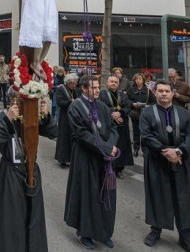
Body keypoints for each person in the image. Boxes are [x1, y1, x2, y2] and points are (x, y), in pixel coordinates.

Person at [139, 80, 190, 252]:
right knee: (157, 196)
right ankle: (155, 231)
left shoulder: (184, 113)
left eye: (167, 91)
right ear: (155, 93)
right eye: (160, 91)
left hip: (181, 161)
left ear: (173, 93)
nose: (164, 94)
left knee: (182, 197)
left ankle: (185, 237)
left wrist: (179, 152)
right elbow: (146, 135)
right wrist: (165, 151)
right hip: (156, 161)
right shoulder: (147, 113)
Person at [0, 98, 56, 252]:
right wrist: (8, 119)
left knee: (33, 215)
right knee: (12, 216)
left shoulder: (32, 117)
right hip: (11, 172)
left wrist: (46, 117)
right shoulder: (3, 117)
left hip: (31, 171)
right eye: (21, 103)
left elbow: (54, 132)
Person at [64, 75, 119, 250]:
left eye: (97, 87)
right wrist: (103, 147)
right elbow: (81, 134)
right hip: (85, 157)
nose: (97, 90)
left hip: (104, 159)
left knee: (106, 196)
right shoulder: (75, 106)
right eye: (93, 88)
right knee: (88, 195)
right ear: (84, 89)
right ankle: (85, 232)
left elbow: (113, 128)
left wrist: (110, 146)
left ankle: (104, 232)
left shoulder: (102, 106)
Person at [99, 75, 134, 178]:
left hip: (122, 123)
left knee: (121, 145)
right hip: (108, 123)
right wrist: (112, 115)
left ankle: (119, 169)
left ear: (118, 84)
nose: (113, 83)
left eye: (115, 82)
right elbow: (101, 106)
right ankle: (107, 167)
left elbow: (128, 106)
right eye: (111, 82)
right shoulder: (102, 94)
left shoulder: (122, 94)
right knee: (110, 144)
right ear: (107, 83)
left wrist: (120, 113)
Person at [127, 73, 156, 157]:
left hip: (145, 114)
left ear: (143, 80)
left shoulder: (147, 90)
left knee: (144, 132)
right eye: (136, 79)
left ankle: (144, 150)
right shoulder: (130, 90)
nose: (138, 80)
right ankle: (135, 150)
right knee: (136, 132)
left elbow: (153, 101)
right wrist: (132, 104)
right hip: (135, 114)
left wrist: (147, 106)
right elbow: (126, 100)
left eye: (140, 79)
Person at [54, 73, 79, 167]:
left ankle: (72, 158)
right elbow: (59, 102)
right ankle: (63, 159)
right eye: (73, 83)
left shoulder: (76, 90)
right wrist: (70, 102)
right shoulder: (61, 89)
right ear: (68, 82)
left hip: (74, 116)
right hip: (64, 116)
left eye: (75, 83)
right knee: (64, 137)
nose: (74, 85)